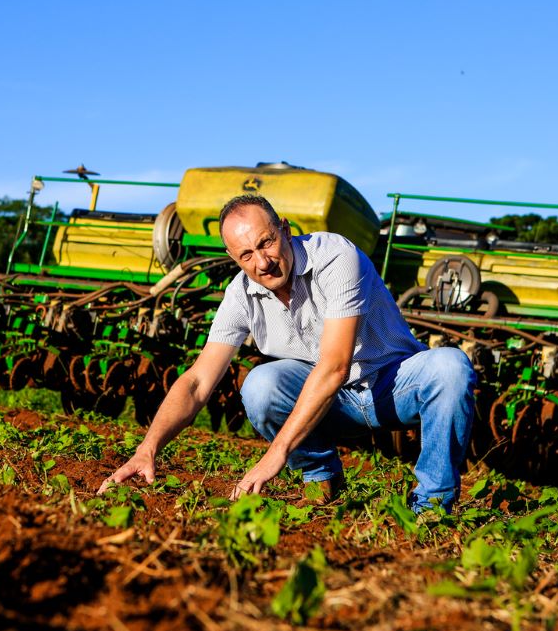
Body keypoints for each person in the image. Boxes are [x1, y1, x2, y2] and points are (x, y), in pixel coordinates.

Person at [98, 194, 476, 513]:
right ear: (232, 257)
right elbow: (198, 381)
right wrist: (147, 450)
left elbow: (335, 366)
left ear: (285, 228)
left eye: (266, 243)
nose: (262, 263)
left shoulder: (335, 256)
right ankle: (321, 479)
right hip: (333, 403)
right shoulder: (240, 295)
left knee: (450, 367)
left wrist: (275, 454)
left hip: (391, 387)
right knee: (261, 385)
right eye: (246, 255)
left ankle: (431, 505)